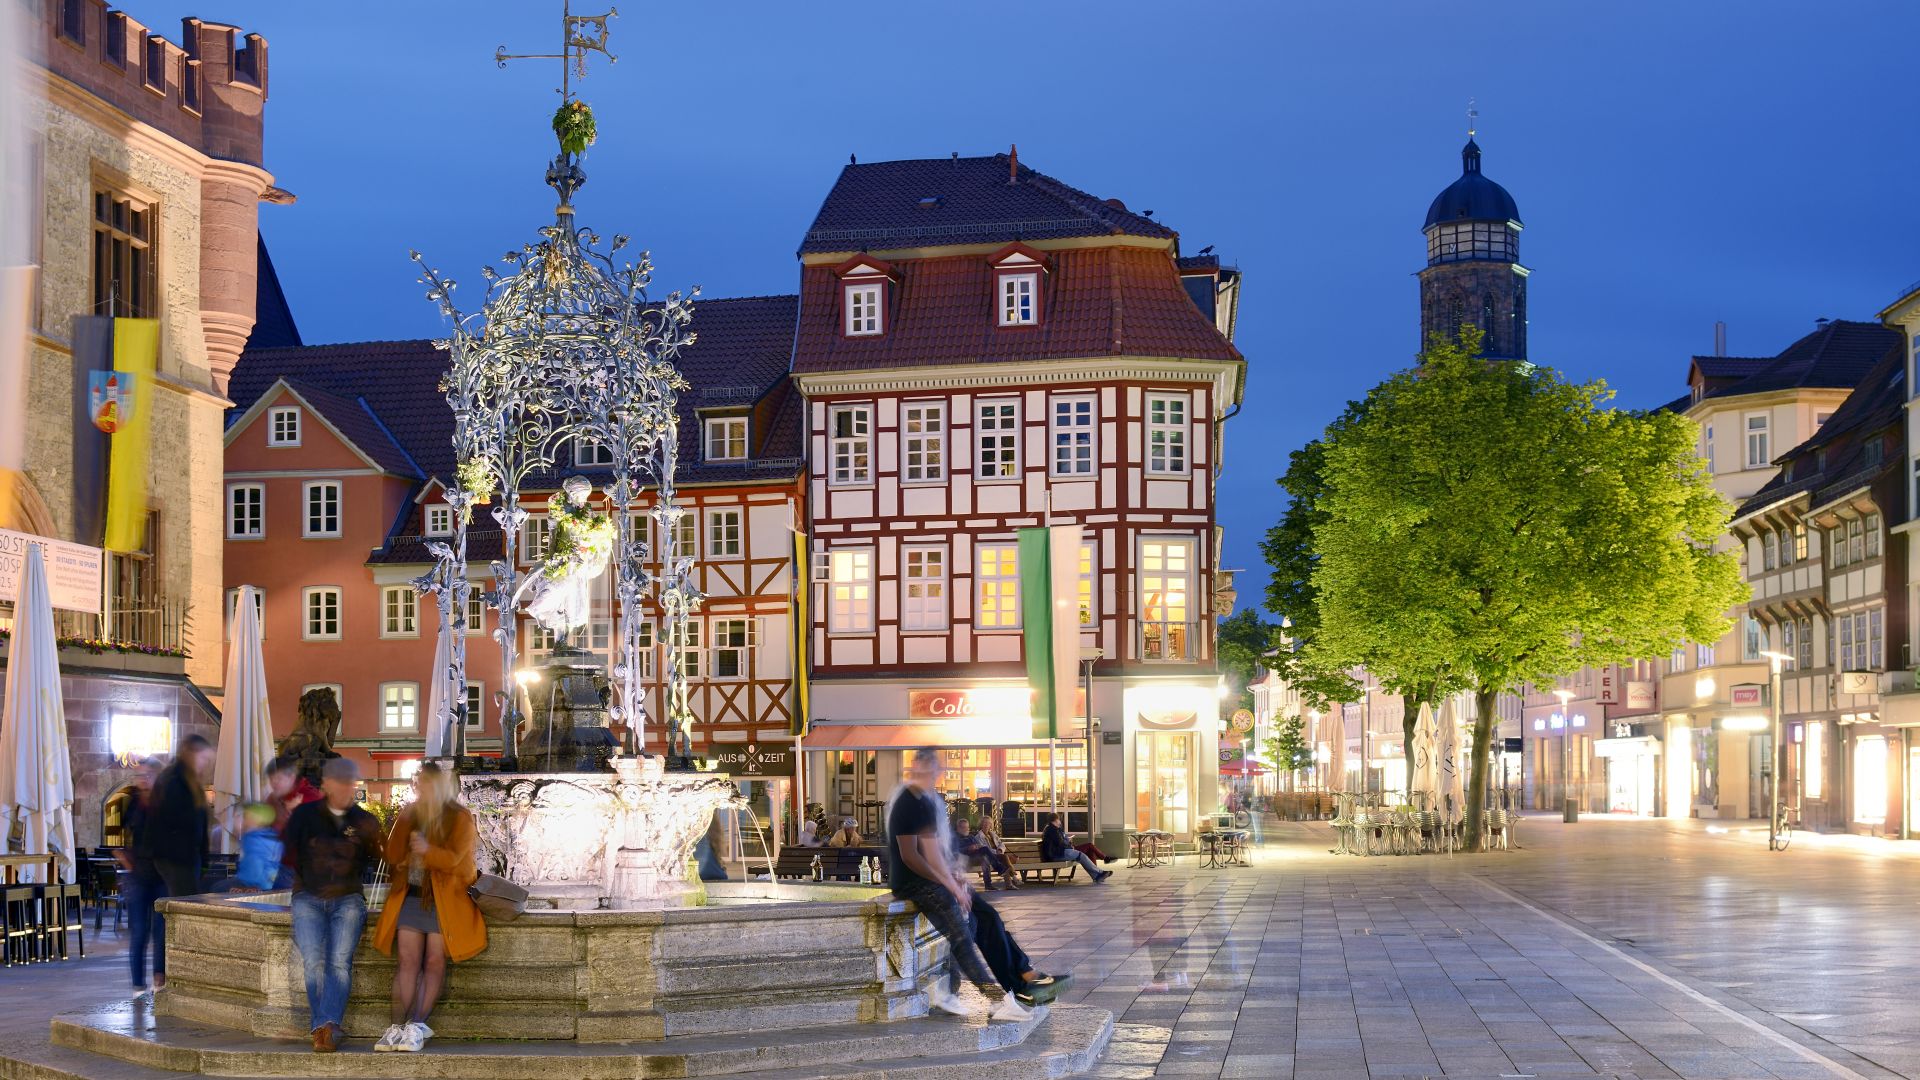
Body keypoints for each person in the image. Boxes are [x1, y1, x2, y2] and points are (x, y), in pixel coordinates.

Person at [885, 748, 1030, 1022]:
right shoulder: (906, 802)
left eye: (938, 771)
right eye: (932, 770)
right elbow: (910, 855)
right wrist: (949, 886)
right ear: (918, 767)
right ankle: (996, 999)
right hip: (912, 883)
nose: (936, 776)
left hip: (930, 880)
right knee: (962, 935)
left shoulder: (924, 802)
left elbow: (933, 851)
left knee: (971, 925)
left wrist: (955, 879)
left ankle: (948, 993)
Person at [371, 763, 486, 1054]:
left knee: (434, 961)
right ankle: (396, 1027)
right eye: (417, 784)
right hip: (411, 895)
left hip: (445, 900)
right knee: (407, 962)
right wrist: (400, 827)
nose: (419, 788)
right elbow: (394, 855)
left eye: (425, 783)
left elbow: (455, 860)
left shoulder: (459, 817)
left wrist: (425, 851)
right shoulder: (410, 813)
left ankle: (417, 1025)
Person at [283, 758, 384, 1054]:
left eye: (349, 782)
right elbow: (288, 853)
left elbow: (380, 860)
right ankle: (324, 1026)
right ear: (326, 784)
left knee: (339, 962)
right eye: (339, 782)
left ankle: (324, 1026)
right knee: (313, 961)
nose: (345, 788)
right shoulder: (304, 815)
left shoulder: (364, 820)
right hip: (307, 896)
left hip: (349, 897)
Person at [145, 735, 214, 903]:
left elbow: (199, 825)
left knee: (186, 904)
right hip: (176, 858)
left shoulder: (189, 782)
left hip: (186, 857)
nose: (205, 763)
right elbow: (171, 821)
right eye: (203, 758)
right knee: (185, 906)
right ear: (191, 753)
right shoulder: (174, 781)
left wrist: (203, 859)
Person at [116, 757, 165, 995]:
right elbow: (118, 837)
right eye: (139, 776)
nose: (143, 780)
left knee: (162, 930)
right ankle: (137, 985)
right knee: (138, 931)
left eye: (147, 775)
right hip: (138, 876)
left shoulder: (165, 804)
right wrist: (126, 861)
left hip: (162, 875)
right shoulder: (132, 803)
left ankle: (160, 980)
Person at [951, 816, 1017, 890]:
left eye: (967, 827)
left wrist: (977, 846)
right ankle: (999, 872)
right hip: (966, 859)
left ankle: (997, 883)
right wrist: (968, 848)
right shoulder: (955, 838)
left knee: (991, 857)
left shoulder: (971, 837)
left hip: (977, 856)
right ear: (958, 828)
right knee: (985, 854)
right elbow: (954, 851)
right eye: (964, 827)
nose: (967, 829)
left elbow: (980, 846)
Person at [1040, 814, 1110, 883]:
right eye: (1059, 819)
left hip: (1059, 853)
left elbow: (1062, 841)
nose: (1060, 821)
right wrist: (1069, 843)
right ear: (1055, 820)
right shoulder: (1052, 830)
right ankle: (1099, 873)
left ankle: (1098, 875)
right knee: (1081, 855)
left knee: (1082, 855)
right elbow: (1061, 843)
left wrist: (1068, 842)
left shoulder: (1054, 829)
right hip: (1056, 855)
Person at [232, 803, 283, 891]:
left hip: (256, 885)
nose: (243, 820)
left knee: (217, 887)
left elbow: (254, 863)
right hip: (274, 882)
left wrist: (252, 886)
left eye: (245, 816)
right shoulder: (273, 836)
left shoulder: (252, 838)